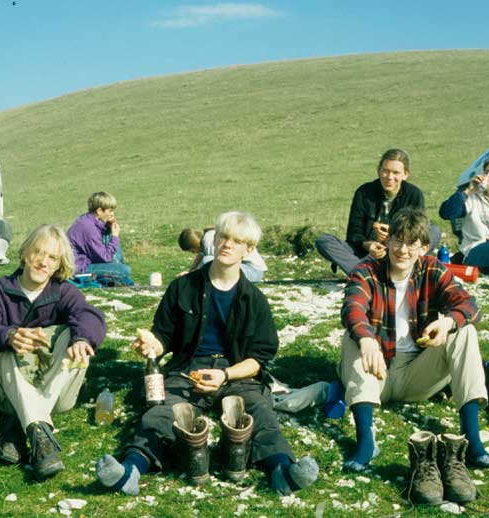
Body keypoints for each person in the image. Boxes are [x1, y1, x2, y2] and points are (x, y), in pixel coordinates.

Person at [95, 212, 318, 496]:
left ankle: (282, 471)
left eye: (238, 241)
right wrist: (154, 347)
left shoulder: (255, 300)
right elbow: (164, 335)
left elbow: (258, 358)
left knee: (261, 411)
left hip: (235, 372)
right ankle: (130, 471)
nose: (227, 245)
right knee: (160, 413)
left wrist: (225, 374)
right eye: (224, 237)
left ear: (248, 250)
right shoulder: (183, 286)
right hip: (187, 368)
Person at [339, 208, 489, 475]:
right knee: (354, 336)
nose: (403, 250)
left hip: (418, 373)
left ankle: (471, 438)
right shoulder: (366, 270)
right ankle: (366, 442)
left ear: (423, 248)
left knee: (464, 331)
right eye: (397, 241)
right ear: (387, 242)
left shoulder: (433, 269)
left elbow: (469, 305)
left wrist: (447, 322)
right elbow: (352, 306)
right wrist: (366, 340)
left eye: (412, 244)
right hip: (376, 373)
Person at [0, 224, 106, 480]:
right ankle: (40, 434)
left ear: (59, 265)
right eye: (38, 253)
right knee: (7, 346)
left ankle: (20, 428)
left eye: (52, 257)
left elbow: (89, 314)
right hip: (8, 392)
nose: (43, 262)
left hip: (57, 392)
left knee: (72, 334)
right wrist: (9, 335)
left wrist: (82, 338)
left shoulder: (64, 292)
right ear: (25, 254)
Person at [316, 148, 441, 275]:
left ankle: (368, 273)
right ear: (379, 170)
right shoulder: (363, 192)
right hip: (367, 253)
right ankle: (364, 273)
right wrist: (369, 245)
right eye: (385, 171)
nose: (389, 177)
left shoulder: (414, 194)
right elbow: (354, 234)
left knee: (434, 231)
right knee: (324, 241)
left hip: (399, 250)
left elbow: (417, 231)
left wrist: (392, 235)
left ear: (405, 174)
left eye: (395, 172)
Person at [67, 192, 132, 285]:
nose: (112, 214)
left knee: (111, 235)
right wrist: (114, 237)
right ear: (99, 211)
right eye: (110, 211)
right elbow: (105, 257)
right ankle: (119, 277)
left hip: (87, 261)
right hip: (80, 268)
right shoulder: (88, 228)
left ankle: (118, 276)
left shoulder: (90, 220)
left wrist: (110, 227)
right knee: (125, 270)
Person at [178, 226, 268, 282]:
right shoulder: (206, 237)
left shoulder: (209, 242)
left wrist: (190, 277)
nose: (194, 253)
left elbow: (214, 264)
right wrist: (191, 271)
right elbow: (201, 254)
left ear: (194, 246)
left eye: (192, 251)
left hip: (253, 271)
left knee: (208, 261)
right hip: (246, 268)